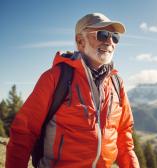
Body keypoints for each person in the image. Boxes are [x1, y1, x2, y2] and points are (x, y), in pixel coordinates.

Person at [6, 13, 140, 168]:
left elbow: (124, 136)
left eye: (115, 37)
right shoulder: (55, 77)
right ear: (80, 41)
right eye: (102, 35)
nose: (110, 41)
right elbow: (24, 133)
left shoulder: (117, 83)